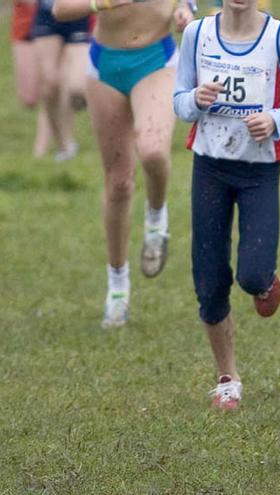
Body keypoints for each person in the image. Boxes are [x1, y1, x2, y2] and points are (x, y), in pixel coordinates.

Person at [174, 0, 280, 410]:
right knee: (209, 280)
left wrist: (278, 121)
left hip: (259, 171)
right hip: (210, 168)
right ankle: (227, 378)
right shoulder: (196, 35)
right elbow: (179, 103)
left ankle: (266, 280)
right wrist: (196, 100)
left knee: (252, 276)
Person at [53, 0, 194, 328]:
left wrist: (185, 10)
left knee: (154, 151)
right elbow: (60, 10)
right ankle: (117, 289)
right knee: (118, 183)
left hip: (156, 59)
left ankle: (156, 218)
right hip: (106, 64)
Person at [30, 0, 92, 162]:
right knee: (49, 84)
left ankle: (67, 141)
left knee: (76, 88)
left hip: (80, 16)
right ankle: (64, 145)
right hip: (47, 14)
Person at [9, 0, 53, 157]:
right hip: (25, 21)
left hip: (55, 22)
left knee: (49, 85)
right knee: (29, 98)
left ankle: (41, 149)